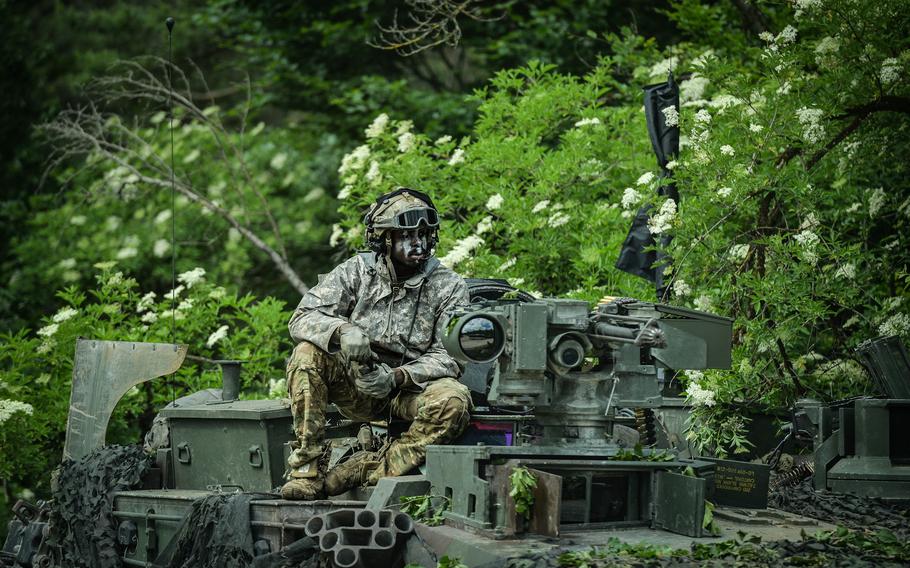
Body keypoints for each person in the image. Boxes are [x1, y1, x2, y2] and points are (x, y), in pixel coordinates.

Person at [281, 187, 472, 500]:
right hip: (356, 386)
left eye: (424, 234)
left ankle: (367, 468)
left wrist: (397, 377)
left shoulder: (448, 286)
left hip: (409, 392)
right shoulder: (356, 271)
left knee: (455, 400)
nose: (418, 243)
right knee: (306, 355)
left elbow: (451, 357)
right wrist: (342, 331)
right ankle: (307, 469)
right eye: (407, 235)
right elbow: (302, 318)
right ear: (385, 239)